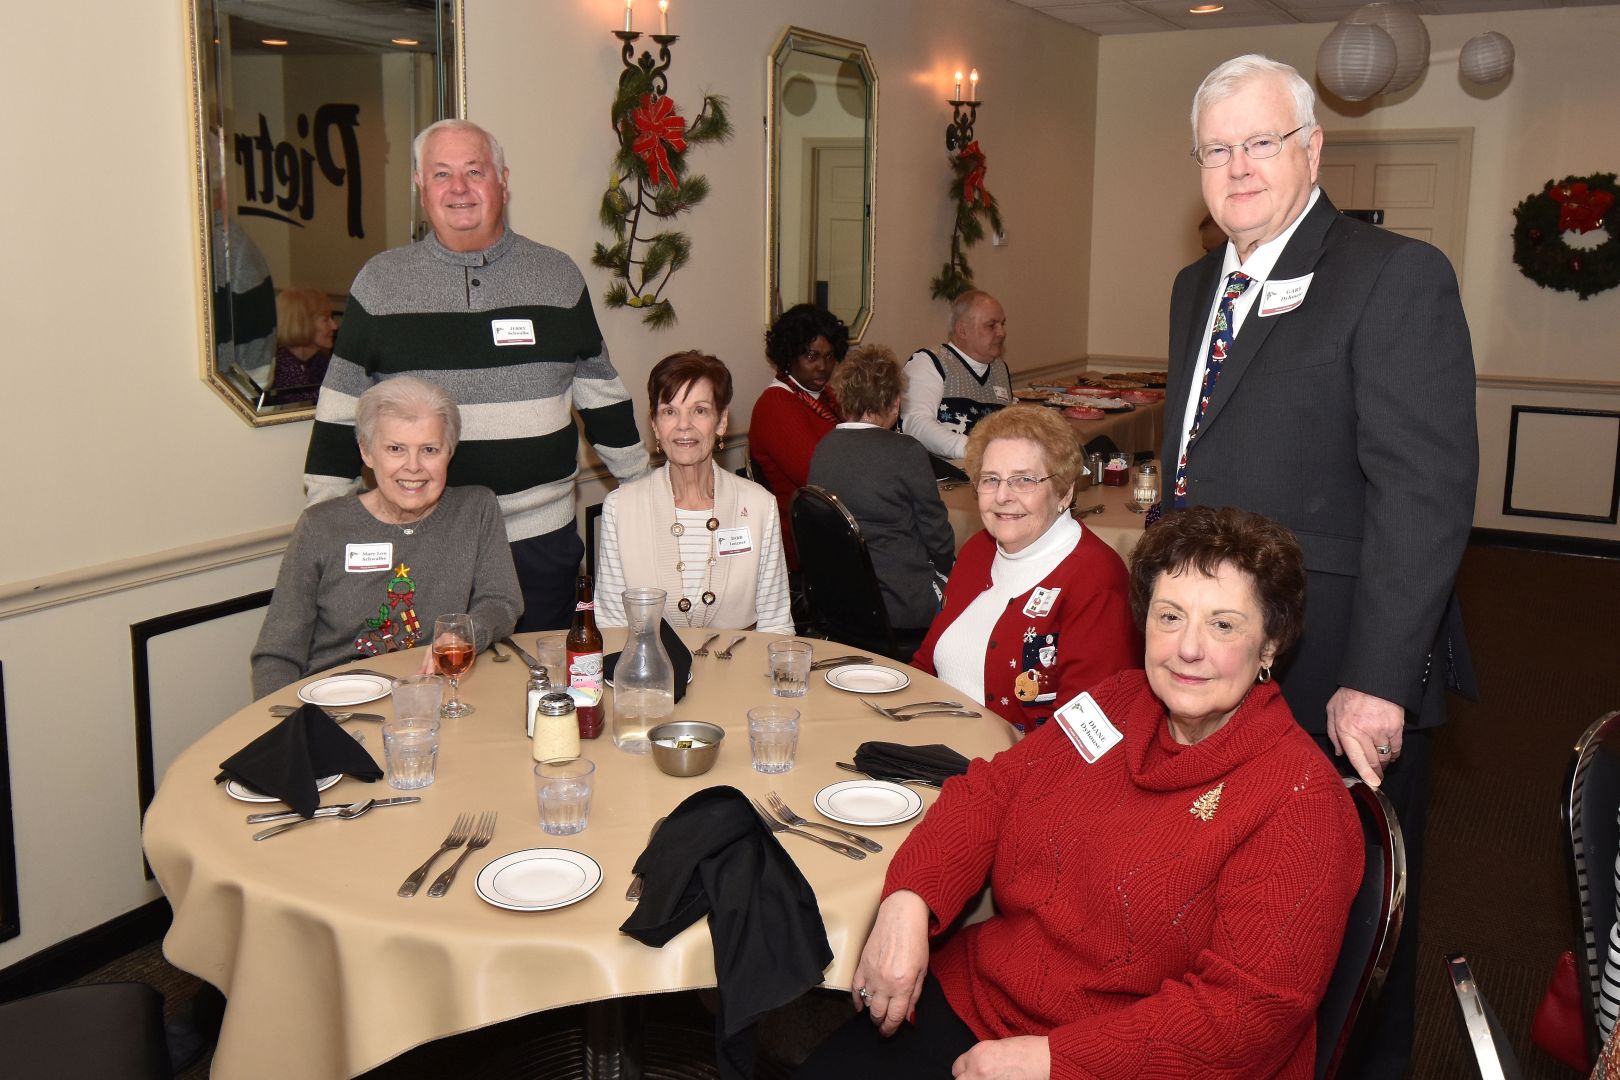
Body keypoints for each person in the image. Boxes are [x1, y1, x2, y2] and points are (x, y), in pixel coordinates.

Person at [798, 507, 1362, 1080]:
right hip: (987, 999)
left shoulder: (1298, 801)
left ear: (1270, 644)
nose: (1188, 648)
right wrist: (909, 900)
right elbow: (994, 791)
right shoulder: (1118, 702)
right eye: (1170, 616)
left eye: (1223, 625)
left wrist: (1052, 1060)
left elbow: (1244, 1017)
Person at [1162, 54, 1478, 1076]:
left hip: (1341, 667)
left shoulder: (1394, 275)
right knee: (1231, 913)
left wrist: (1382, 679)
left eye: (1261, 141)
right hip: (1219, 660)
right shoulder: (1194, 286)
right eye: (1218, 148)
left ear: (1313, 147)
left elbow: (1423, 498)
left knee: (1346, 938)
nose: (1238, 166)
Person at [302, 118, 649, 632]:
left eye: (474, 171)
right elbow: (339, 411)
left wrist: (646, 489)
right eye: (441, 174)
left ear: (503, 181)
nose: (459, 188)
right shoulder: (379, 284)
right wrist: (326, 527)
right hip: (421, 542)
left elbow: (601, 394)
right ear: (421, 187)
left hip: (539, 543)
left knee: (542, 692)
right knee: (433, 695)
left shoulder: (557, 276)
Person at [252, 377, 521, 697]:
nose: (413, 467)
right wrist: (285, 729)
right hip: (338, 701)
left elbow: (501, 602)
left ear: (449, 452)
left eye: (429, 450)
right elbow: (277, 654)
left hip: (437, 691)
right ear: (366, 452)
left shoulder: (475, 509)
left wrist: (466, 634)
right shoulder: (321, 527)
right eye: (395, 449)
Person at [911, 406, 1138, 733]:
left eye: (1024, 480)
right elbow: (925, 663)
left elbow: (1085, 732)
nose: (1003, 496)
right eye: (991, 480)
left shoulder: (1095, 579)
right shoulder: (978, 550)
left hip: (1019, 773)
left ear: (1064, 491)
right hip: (935, 740)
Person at [595, 352, 792, 634]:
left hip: (738, 670)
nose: (683, 425)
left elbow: (777, 625)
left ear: (722, 421)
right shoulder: (621, 507)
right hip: (650, 674)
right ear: (655, 425)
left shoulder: (759, 506)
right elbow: (611, 625)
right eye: (670, 411)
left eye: (699, 410)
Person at [808, 345, 954, 631]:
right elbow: (938, 537)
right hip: (900, 605)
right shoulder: (907, 452)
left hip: (840, 602)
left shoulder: (823, 449)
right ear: (896, 403)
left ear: (844, 401)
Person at [751, 303, 849, 570]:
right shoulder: (776, 404)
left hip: (838, 521)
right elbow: (817, 478)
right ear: (788, 356)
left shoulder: (825, 397)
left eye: (829, 357)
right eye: (811, 356)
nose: (822, 367)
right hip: (808, 539)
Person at [899, 290, 1012, 460]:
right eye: (991, 325)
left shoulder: (1000, 369)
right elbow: (915, 423)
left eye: (1002, 324)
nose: (1001, 332)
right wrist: (974, 450)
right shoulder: (929, 363)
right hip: (939, 479)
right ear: (962, 330)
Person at [269, 287, 337, 404]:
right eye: (326, 320)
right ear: (302, 323)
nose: (334, 326)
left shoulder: (320, 360)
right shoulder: (281, 366)